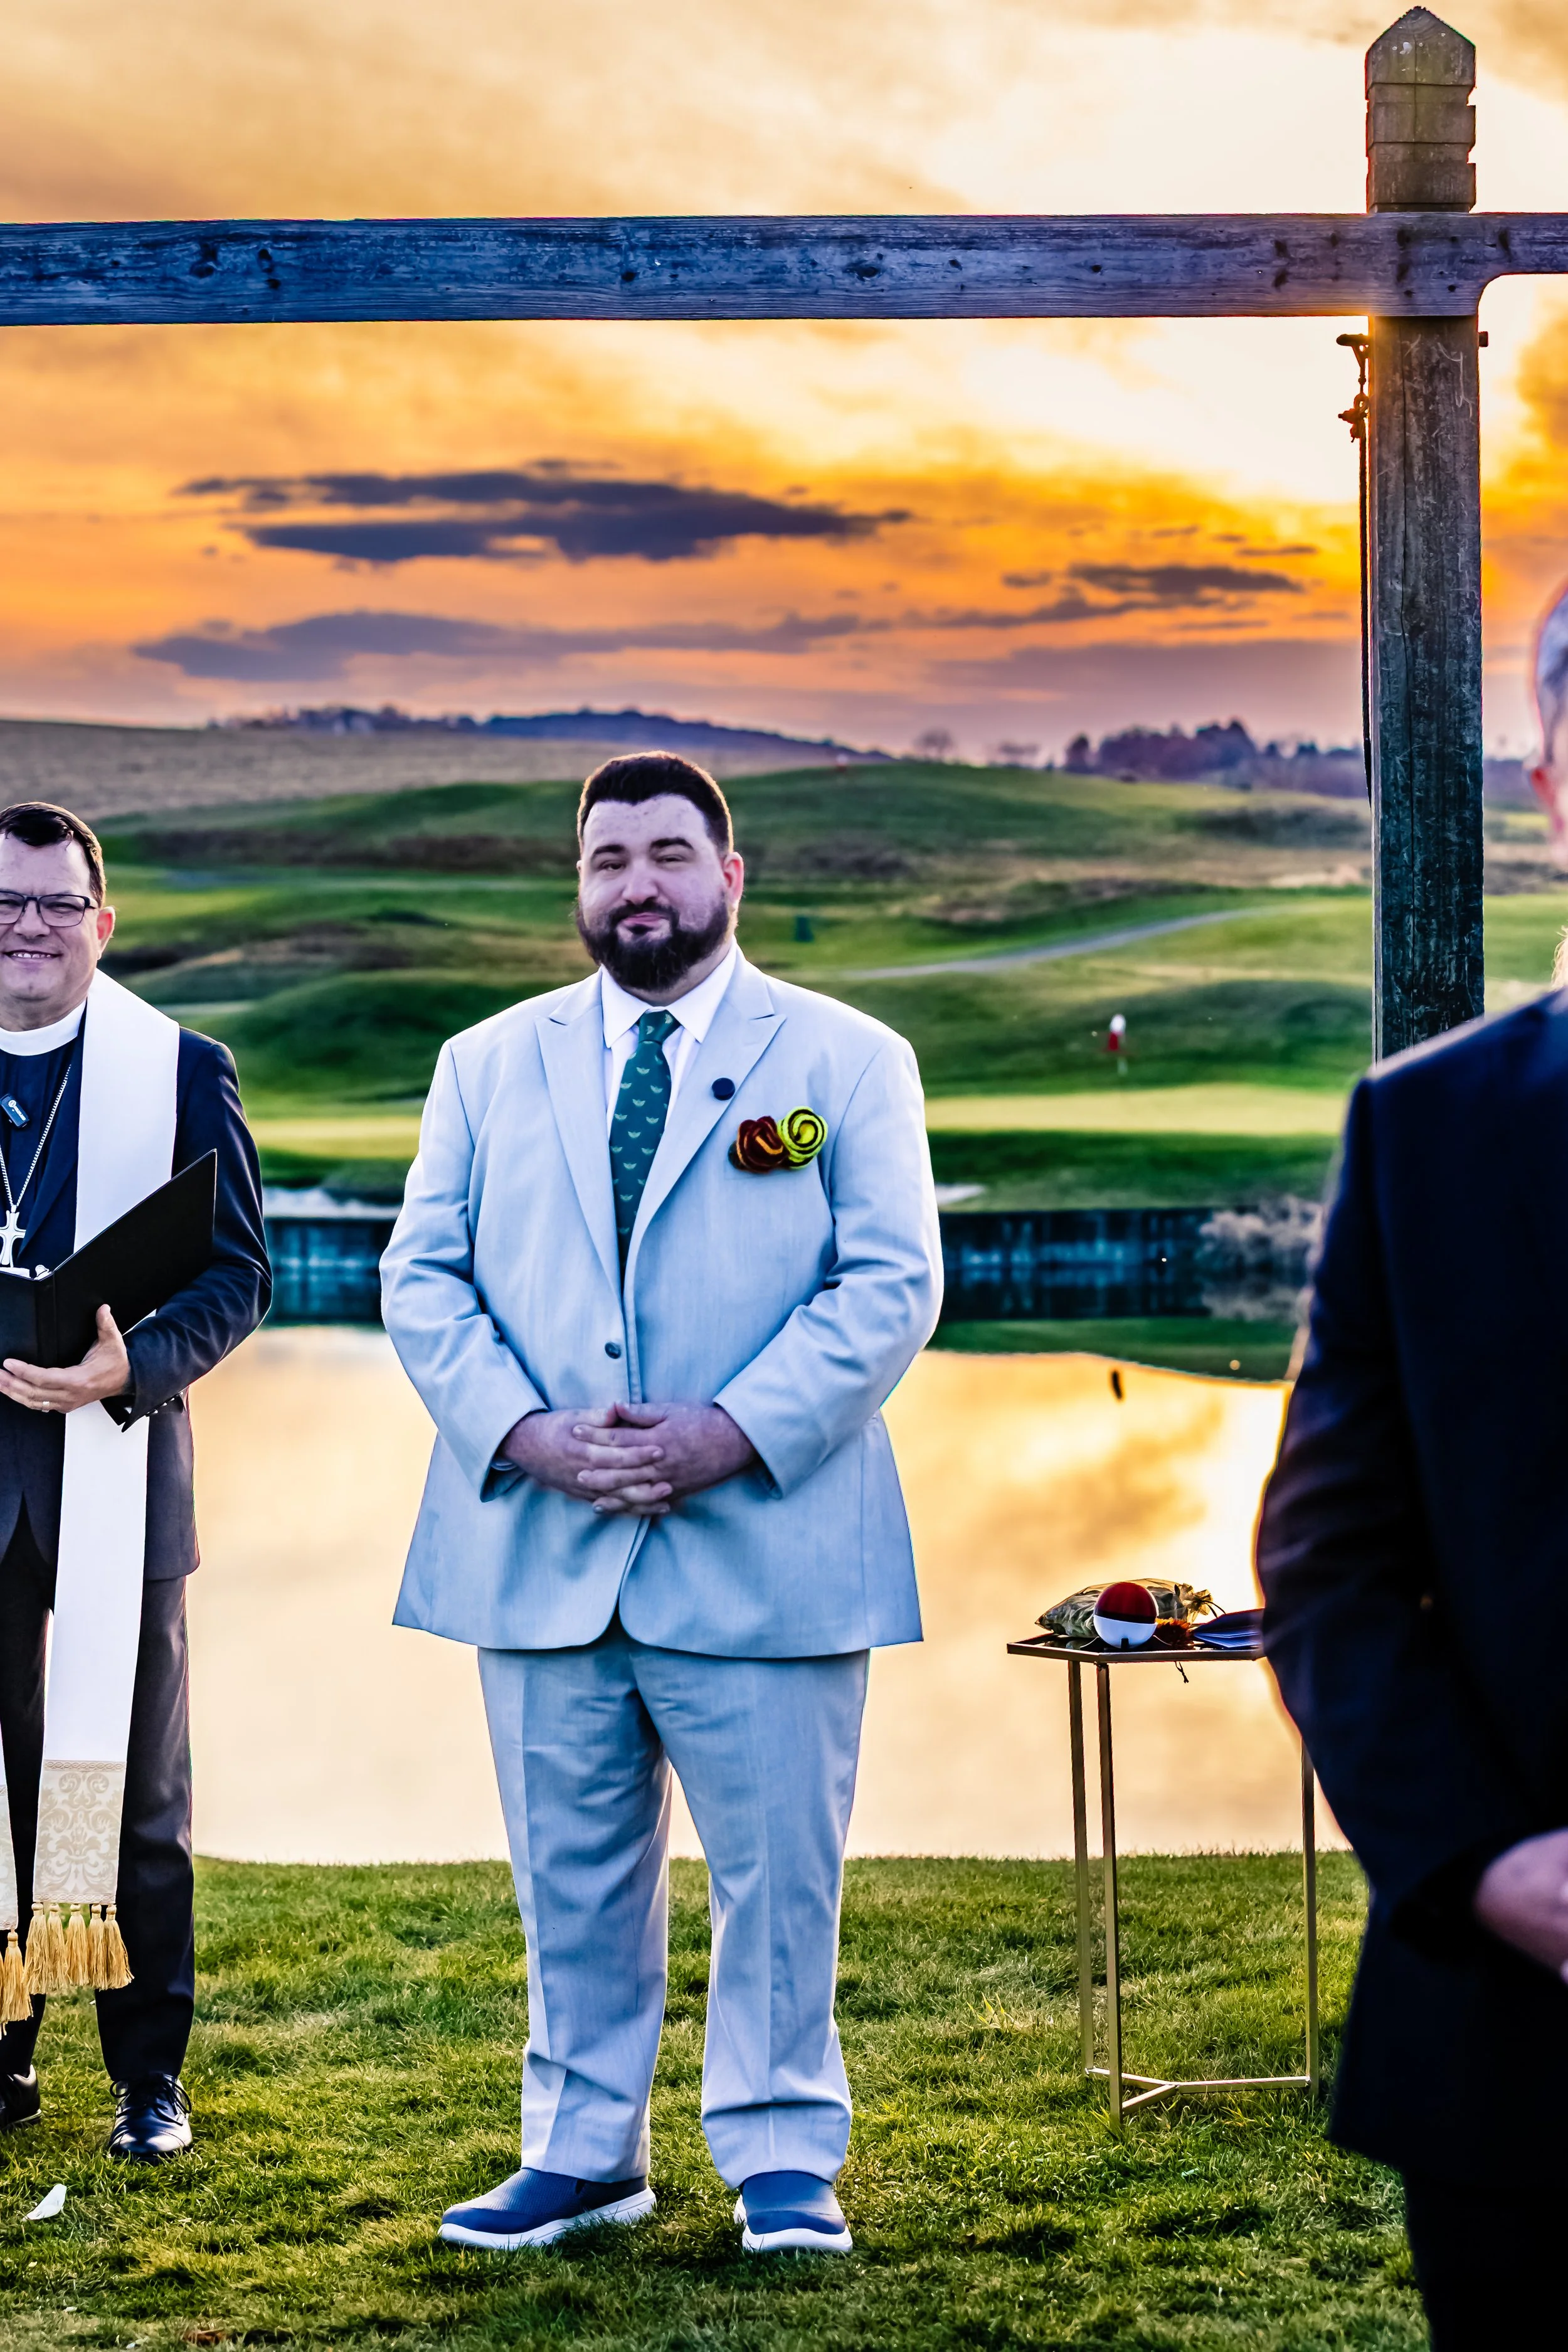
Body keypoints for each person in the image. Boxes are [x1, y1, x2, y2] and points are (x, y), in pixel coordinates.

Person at [381, 751, 941, 2255]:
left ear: (728, 875)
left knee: (778, 1879)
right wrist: (527, 1432)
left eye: (668, 854)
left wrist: (728, 1431)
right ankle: (580, 2152)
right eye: (607, 858)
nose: (637, 883)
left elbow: (890, 1283)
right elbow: (421, 1279)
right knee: (566, 1877)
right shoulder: (483, 1064)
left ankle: (779, 2158)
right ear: (578, 884)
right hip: (540, 1539)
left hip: (765, 1541)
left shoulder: (842, 1060)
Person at [1256, 581, 1568, 2352]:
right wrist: (1484, 1863)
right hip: (1522, 2051)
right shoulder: (1423, 1131)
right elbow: (1330, 1564)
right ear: (1543, 786)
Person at [0, 802, 270, 2161]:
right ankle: (1, 2057)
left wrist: (130, 1367)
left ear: (104, 922)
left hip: (121, 1470)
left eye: (55, 904)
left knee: (132, 1794)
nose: (28, 928)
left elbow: (238, 1274)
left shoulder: (179, 1069)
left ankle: (146, 2077)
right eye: (4, 903)